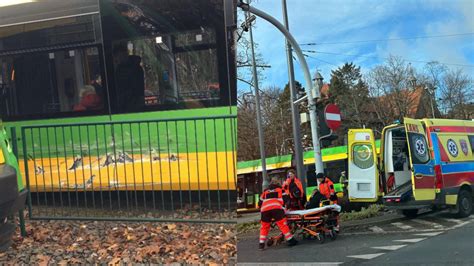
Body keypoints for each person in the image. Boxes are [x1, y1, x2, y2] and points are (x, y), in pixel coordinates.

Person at [258, 177, 298, 250]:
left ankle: (261, 244)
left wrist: (262, 209)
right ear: (279, 183)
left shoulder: (265, 191)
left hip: (265, 210)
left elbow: (259, 203)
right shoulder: (281, 190)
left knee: (264, 227)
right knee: (282, 225)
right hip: (276, 209)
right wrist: (287, 208)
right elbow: (287, 200)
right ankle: (290, 240)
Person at [114, 45, 145, 111]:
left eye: (119, 56)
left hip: (131, 104)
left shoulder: (125, 69)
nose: (117, 59)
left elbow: (136, 88)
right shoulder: (135, 67)